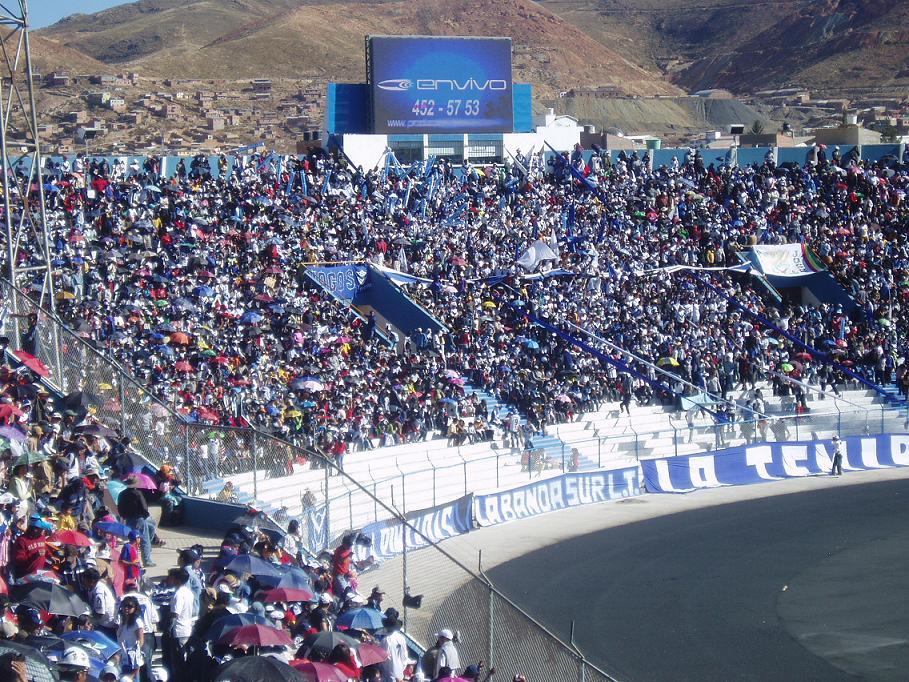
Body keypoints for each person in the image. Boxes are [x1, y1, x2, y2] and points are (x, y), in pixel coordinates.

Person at [117, 595, 146, 681]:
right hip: (123, 657)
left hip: (132, 659)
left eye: (129, 606)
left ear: (135, 608)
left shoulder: (137, 622)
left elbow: (140, 641)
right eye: (124, 605)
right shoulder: (123, 621)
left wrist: (134, 656)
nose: (126, 608)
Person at [380, 608, 408, 682]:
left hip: (389, 674)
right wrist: (401, 669)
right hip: (400, 672)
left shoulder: (385, 640)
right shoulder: (401, 637)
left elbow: (385, 658)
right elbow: (404, 656)